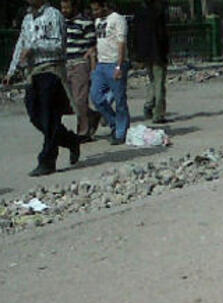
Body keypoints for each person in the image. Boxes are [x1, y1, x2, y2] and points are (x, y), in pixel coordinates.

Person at [3, 0, 80, 176]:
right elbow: (21, 44)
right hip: (33, 71)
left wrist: (35, 48)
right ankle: (69, 140)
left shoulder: (54, 15)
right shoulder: (27, 19)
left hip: (50, 69)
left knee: (49, 115)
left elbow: (58, 45)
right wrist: (12, 70)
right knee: (35, 114)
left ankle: (47, 160)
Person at [89, 0, 129, 143]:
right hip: (101, 64)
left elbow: (121, 43)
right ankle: (113, 122)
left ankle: (121, 131)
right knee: (96, 96)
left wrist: (119, 66)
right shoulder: (98, 21)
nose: (95, 13)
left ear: (104, 6)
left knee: (119, 100)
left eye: (96, 10)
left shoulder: (118, 19)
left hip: (114, 63)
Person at [61, 0, 100, 142]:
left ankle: (83, 132)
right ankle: (92, 116)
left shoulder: (85, 23)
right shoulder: (62, 23)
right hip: (65, 64)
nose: (64, 10)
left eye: (66, 7)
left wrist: (91, 66)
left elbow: (92, 46)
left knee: (80, 100)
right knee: (70, 101)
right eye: (62, 7)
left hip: (79, 63)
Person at [134, 0, 170, 122]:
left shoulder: (140, 13)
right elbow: (162, 35)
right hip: (158, 53)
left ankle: (148, 104)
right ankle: (158, 113)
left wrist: (139, 55)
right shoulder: (159, 14)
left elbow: (136, 35)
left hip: (145, 52)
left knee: (152, 81)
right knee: (159, 83)